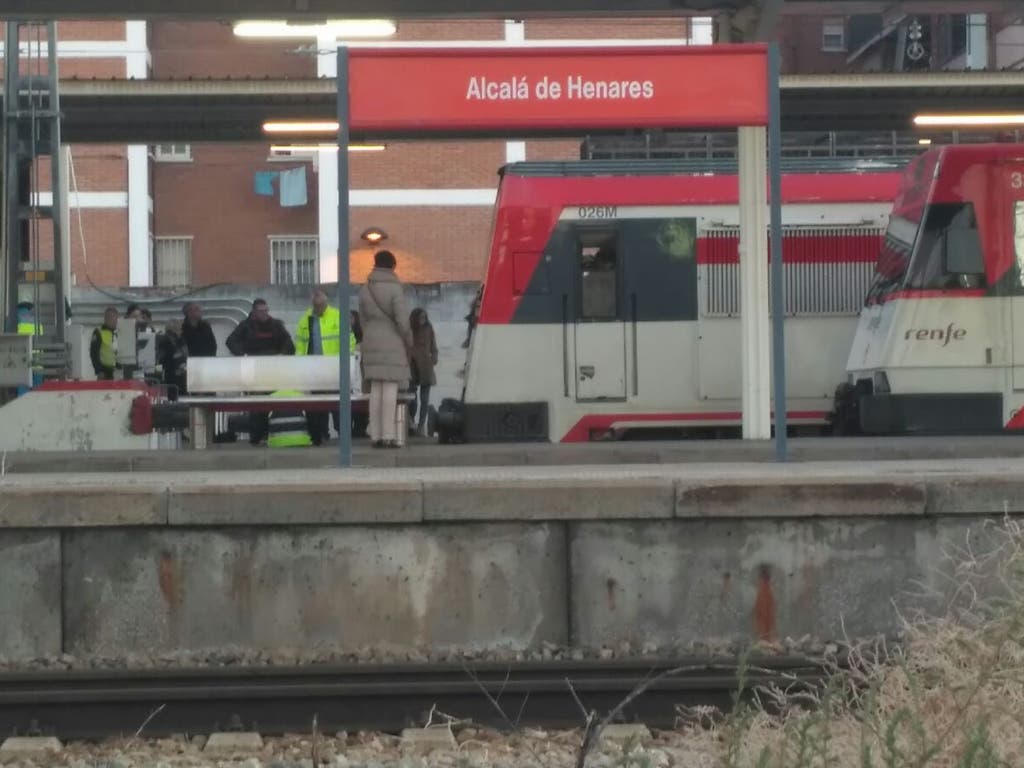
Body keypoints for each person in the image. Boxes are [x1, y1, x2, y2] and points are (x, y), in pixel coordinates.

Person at [358, 250, 413, 448]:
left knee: (375, 389)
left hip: (371, 339)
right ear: (393, 266)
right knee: (390, 387)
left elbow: (362, 318)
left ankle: (375, 434)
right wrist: (408, 338)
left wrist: (369, 334)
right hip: (392, 341)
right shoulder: (395, 289)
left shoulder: (366, 288)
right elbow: (402, 320)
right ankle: (388, 435)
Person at [226, 298, 295, 445]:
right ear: (254, 312)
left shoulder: (276, 325)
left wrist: (282, 355)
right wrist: (243, 355)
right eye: (260, 311)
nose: (264, 314)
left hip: (274, 371)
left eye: (266, 310)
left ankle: (274, 434)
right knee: (257, 405)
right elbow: (231, 341)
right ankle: (257, 437)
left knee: (275, 403)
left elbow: (289, 344)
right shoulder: (245, 326)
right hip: (254, 370)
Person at [295, 289, 342, 446]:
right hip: (313, 369)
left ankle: (343, 436)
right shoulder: (305, 319)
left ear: (326, 302)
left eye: (321, 305)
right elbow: (300, 344)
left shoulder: (336, 316)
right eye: (316, 306)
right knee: (315, 406)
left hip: (334, 367)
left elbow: (349, 340)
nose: (319, 308)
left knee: (338, 406)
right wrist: (300, 365)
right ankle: (319, 436)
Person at [409, 307, 438, 437]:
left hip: (426, 366)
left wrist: (434, 358)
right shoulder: (409, 330)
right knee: (411, 398)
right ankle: (411, 423)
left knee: (425, 400)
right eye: (421, 317)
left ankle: (421, 426)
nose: (423, 320)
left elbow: (434, 346)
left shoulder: (429, 328)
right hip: (412, 366)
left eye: (425, 318)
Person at [156, 319, 188, 399]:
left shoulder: (181, 340)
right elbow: (162, 359)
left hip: (181, 375)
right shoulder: (165, 341)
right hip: (172, 375)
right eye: (179, 329)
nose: (181, 331)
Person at [90, 306, 120, 380]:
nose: (111, 320)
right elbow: (94, 353)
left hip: (116, 371)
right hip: (103, 372)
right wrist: (99, 370)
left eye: (113, 317)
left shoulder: (118, 332)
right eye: (108, 317)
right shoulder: (98, 332)